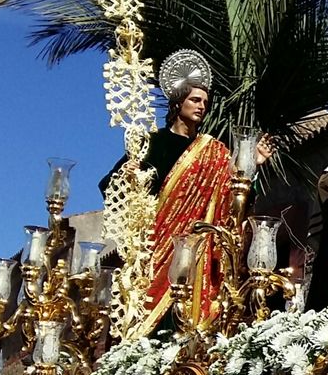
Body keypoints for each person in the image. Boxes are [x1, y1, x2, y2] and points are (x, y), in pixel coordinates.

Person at [100, 52, 269, 336]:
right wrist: (130, 179)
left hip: (199, 251)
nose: (202, 106)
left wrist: (251, 169)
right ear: (178, 102)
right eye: (195, 100)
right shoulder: (152, 144)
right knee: (151, 320)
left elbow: (233, 203)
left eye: (205, 101)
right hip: (158, 245)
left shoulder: (215, 151)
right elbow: (111, 188)